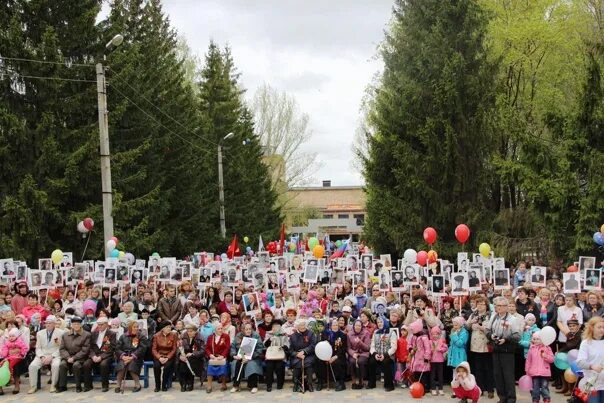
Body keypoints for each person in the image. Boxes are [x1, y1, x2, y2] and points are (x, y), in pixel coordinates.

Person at [486, 296, 521, 403]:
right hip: (496, 349)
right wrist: (491, 336)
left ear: (506, 307)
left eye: (501, 306)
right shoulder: (493, 317)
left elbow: (517, 336)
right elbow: (487, 330)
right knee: (498, 375)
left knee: (508, 375)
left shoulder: (513, 319)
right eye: (497, 306)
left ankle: (511, 398)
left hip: (507, 351)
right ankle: (502, 397)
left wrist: (506, 339)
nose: (499, 308)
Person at [27, 315, 63, 394]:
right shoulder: (40, 333)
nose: (48, 325)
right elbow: (38, 347)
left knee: (55, 365)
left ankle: (53, 385)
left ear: (54, 324)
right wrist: (41, 356)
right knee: (32, 366)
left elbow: (60, 347)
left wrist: (52, 356)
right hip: (42, 354)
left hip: (55, 355)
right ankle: (33, 386)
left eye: (50, 323)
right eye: (47, 323)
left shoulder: (60, 332)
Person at [57, 316, 91, 393]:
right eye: (74, 324)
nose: (76, 326)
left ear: (81, 325)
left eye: (78, 324)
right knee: (62, 364)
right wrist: (68, 357)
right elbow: (62, 349)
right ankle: (62, 386)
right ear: (71, 325)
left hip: (80, 358)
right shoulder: (65, 335)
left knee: (76, 365)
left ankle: (78, 386)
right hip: (68, 357)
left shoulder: (86, 335)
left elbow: (85, 350)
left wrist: (74, 358)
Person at [230, 323, 265, 394]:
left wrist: (250, 357)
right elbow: (233, 347)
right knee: (236, 363)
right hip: (241, 356)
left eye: (250, 329)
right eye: (246, 329)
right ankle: (236, 385)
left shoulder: (256, 335)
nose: (249, 331)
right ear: (242, 330)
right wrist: (234, 355)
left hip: (253, 357)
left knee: (251, 365)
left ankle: (253, 386)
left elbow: (260, 348)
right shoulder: (238, 336)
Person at [83, 316, 115, 392]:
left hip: (106, 355)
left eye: (101, 324)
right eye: (98, 324)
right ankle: (88, 386)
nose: (99, 326)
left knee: (103, 364)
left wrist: (101, 357)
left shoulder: (111, 334)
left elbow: (111, 348)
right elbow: (90, 347)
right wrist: (93, 356)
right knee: (86, 364)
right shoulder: (94, 333)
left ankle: (105, 385)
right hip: (95, 355)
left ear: (107, 324)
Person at [576, 316, 604, 403]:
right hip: (591, 384)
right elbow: (580, 362)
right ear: (592, 328)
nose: (602, 330)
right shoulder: (586, 343)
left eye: (603, 327)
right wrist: (592, 366)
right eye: (599, 327)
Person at [114, 321, 147, 393]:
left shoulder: (141, 336)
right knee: (121, 365)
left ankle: (137, 385)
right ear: (129, 328)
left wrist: (132, 357)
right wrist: (123, 356)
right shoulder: (123, 336)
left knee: (131, 365)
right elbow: (117, 348)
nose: (136, 328)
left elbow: (142, 348)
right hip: (124, 356)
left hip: (136, 357)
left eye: (137, 327)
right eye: (134, 327)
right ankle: (118, 385)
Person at [366, 316, 397, 392]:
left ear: (385, 322)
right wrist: (375, 354)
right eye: (378, 322)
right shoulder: (376, 332)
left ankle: (389, 385)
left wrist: (385, 355)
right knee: (371, 361)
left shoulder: (391, 332)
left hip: (388, 355)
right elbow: (372, 345)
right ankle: (372, 384)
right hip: (377, 354)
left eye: (381, 322)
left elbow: (394, 347)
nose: (379, 324)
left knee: (386, 362)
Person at [525, 331, 554, 403]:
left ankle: (546, 399)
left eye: (538, 339)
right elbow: (528, 361)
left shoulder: (547, 348)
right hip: (534, 372)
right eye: (534, 339)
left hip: (544, 372)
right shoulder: (531, 349)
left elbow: (552, 359)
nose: (535, 341)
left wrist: (546, 356)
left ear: (542, 339)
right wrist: (527, 370)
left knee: (544, 387)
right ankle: (535, 399)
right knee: (535, 388)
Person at [289, 318, 317, 393]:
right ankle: (296, 383)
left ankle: (309, 383)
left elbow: (313, 345)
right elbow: (290, 350)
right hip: (297, 356)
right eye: (301, 325)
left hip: (308, 355)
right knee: (297, 363)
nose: (303, 327)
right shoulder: (292, 336)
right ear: (297, 326)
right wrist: (297, 354)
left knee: (308, 364)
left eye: (304, 325)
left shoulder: (310, 333)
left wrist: (304, 351)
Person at [0, 328, 28, 394]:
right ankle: (4, 383)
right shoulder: (7, 342)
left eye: (13, 336)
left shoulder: (19, 341)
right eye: (10, 336)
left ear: (17, 336)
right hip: (8, 357)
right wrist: (4, 354)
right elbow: (5, 349)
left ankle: (13, 381)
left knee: (12, 365)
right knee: (2, 364)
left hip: (17, 357)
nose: (11, 338)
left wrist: (22, 353)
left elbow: (24, 348)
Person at [151, 320, 178, 392]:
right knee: (156, 366)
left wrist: (167, 357)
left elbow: (174, 348)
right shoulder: (156, 336)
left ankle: (164, 384)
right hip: (159, 355)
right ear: (162, 328)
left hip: (169, 355)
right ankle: (157, 385)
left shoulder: (173, 335)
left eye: (170, 327)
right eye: (167, 327)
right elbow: (154, 349)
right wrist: (159, 357)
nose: (169, 329)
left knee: (167, 367)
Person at [178, 323, 205, 392]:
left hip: (196, 357)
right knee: (181, 363)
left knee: (190, 361)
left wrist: (193, 354)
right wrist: (180, 355)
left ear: (195, 331)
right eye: (188, 331)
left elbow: (202, 350)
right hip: (184, 355)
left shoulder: (200, 337)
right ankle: (183, 384)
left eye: (191, 331)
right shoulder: (183, 336)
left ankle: (190, 383)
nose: (189, 333)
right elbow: (178, 348)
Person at [205, 323, 230, 393]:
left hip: (222, 357)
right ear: (215, 330)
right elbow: (207, 348)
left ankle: (224, 384)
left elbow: (227, 348)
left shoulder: (226, 336)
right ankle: (209, 385)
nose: (220, 330)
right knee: (210, 366)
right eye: (218, 329)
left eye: (221, 328)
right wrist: (210, 355)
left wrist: (222, 356)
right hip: (213, 357)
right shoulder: (210, 337)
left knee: (223, 366)